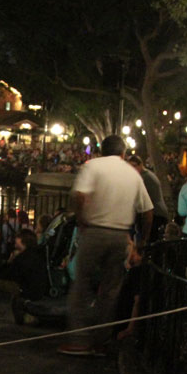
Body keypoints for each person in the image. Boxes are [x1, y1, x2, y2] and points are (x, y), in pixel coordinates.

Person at [58, 135, 154, 356]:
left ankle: (79, 340)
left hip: (95, 230)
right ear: (123, 153)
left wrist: (82, 220)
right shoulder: (133, 174)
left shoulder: (93, 167)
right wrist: (142, 242)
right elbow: (147, 212)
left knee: (82, 284)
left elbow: (80, 195)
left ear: (101, 151)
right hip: (120, 235)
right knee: (110, 291)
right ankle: (101, 341)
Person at [127, 154, 169, 242]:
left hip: (155, 214)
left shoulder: (144, 178)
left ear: (140, 165)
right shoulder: (147, 175)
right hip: (157, 213)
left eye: (133, 166)